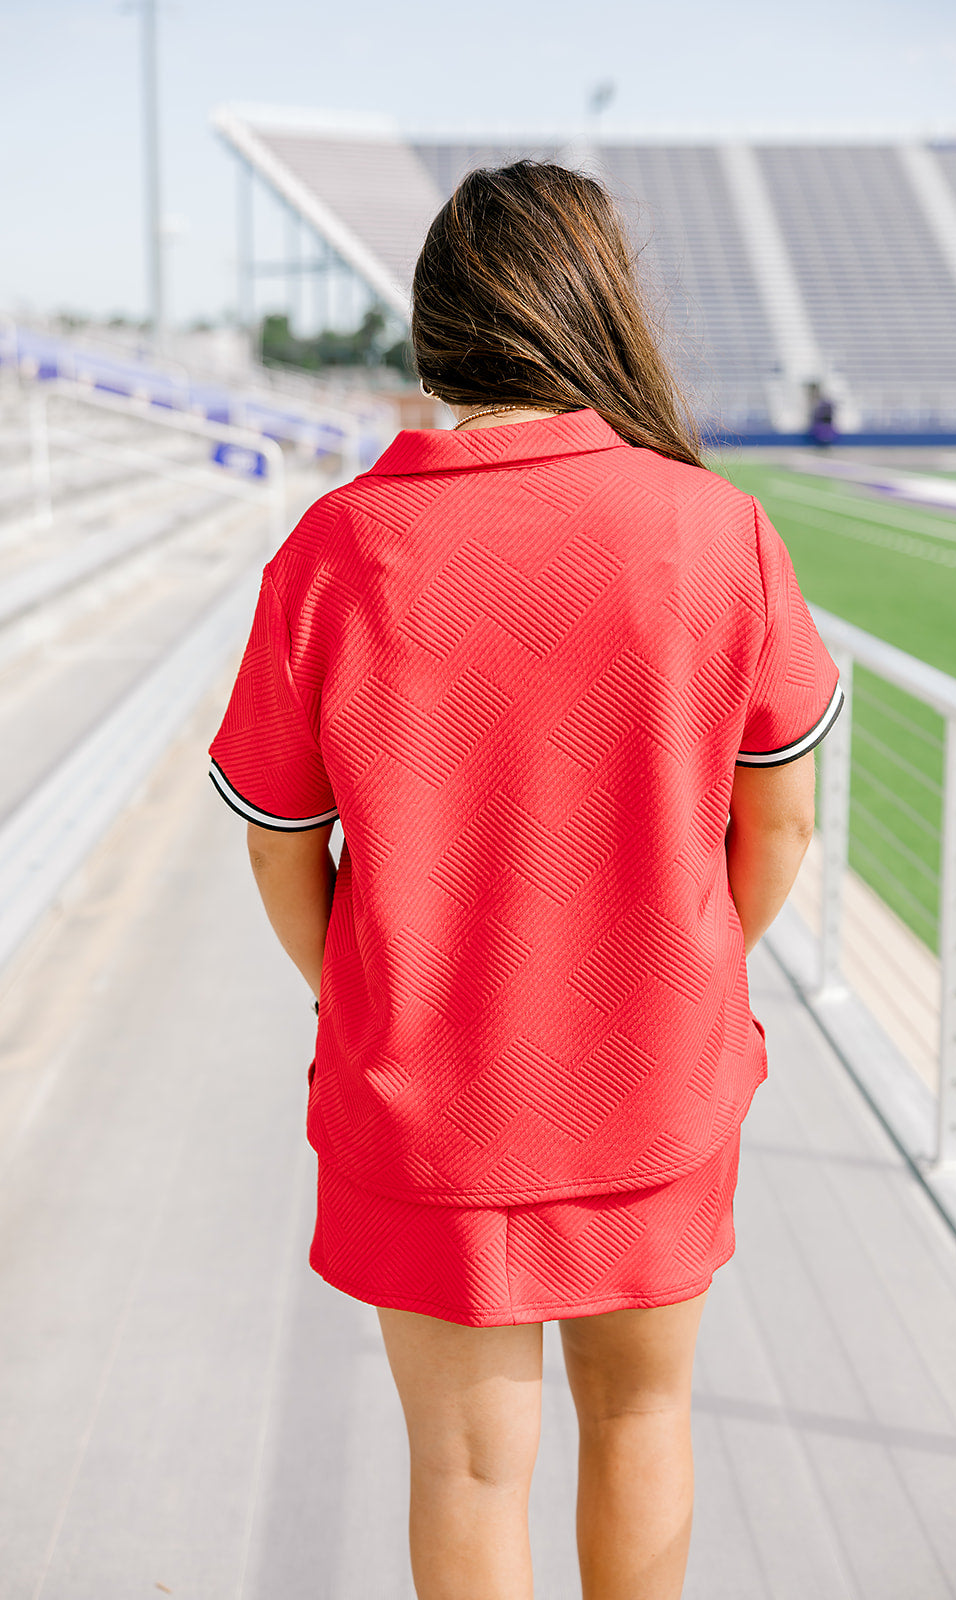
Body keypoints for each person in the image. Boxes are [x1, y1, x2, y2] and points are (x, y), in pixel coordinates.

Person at [207, 159, 843, 1600]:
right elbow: (782, 827)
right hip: (655, 1085)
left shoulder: (336, 550)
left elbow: (274, 838)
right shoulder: (713, 530)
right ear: (599, 313)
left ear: (437, 334)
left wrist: (366, 993)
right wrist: (676, 974)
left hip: (425, 1103)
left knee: (466, 1469)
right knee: (646, 1418)